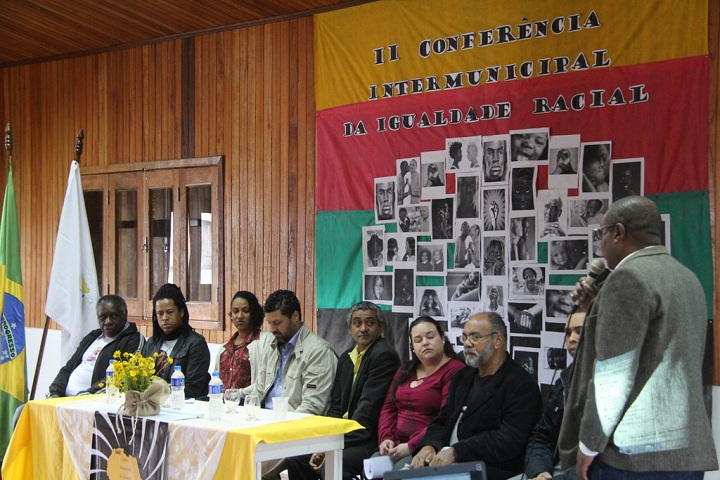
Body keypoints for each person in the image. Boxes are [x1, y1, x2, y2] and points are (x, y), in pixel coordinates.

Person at [559, 196, 718, 479]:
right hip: (685, 454)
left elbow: (613, 375)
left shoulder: (627, 278)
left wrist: (588, 444)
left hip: (632, 459)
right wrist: (595, 309)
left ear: (618, 232)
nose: (600, 243)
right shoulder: (688, 278)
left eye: (601, 234)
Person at [410, 312, 542, 480]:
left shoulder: (521, 385)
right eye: (464, 338)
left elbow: (508, 441)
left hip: (491, 468)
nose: (467, 344)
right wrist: (429, 445)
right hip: (449, 462)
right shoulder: (462, 376)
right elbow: (443, 419)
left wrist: (457, 452)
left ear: (498, 341)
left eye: (475, 337)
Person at [285, 302, 400, 480]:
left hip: (368, 438)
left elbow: (367, 415)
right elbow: (335, 406)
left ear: (380, 327)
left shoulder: (384, 356)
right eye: (357, 323)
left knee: (334, 463)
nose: (363, 328)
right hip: (344, 435)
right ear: (349, 329)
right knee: (295, 458)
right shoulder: (346, 357)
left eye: (370, 323)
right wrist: (325, 438)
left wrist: (330, 444)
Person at [248, 290, 339, 479]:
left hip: (293, 433)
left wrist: (276, 427)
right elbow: (258, 389)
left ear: (295, 316)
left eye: (277, 323)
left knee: (245, 469)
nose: (272, 329)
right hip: (263, 425)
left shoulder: (318, 352)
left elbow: (313, 407)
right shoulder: (272, 346)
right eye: (270, 323)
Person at [376, 317, 466, 471]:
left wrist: (410, 446)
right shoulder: (405, 370)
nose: (425, 342)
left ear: (443, 339)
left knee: (395, 473)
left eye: (430, 337)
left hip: (427, 446)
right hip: (396, 445)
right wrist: (386, 438)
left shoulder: (455, 370)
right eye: (418, 340)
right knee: (371, 468)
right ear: (412, 347)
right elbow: (388, 407)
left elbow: (445, 418)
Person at [522, 311, 586, 480]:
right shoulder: (563, 381)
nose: (571, 339)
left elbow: (602, 460)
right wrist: (538, 471)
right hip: (553, 471)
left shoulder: (610, 383)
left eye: (579, 331)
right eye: (568, 333)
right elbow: (542, 436)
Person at [48, 295, 144, 397]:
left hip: (92, 401)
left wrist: (89, 394)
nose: (108, 322)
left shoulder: (133, 339)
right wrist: (54, 392)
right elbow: (68, 368)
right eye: (103, 317)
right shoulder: (92, 337)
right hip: (66, 400)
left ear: (125, 314)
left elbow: (121, 376)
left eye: (114, 316)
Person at [142, 283, 210, 399]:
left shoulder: (196, 344)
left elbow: (193, 389)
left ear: (181, 312)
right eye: (160, 313)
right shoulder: (151, 344)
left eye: (170, 312)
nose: (165, 318)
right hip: (150, 405)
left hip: (182, 409)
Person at [216, 291, 270, 390]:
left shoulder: (265, 341)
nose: (240, 316)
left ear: (254, 313)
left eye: (245, 311)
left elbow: (266, 382)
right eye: (235, 311)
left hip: (248, 402)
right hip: (223, 402)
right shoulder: (224, 349)